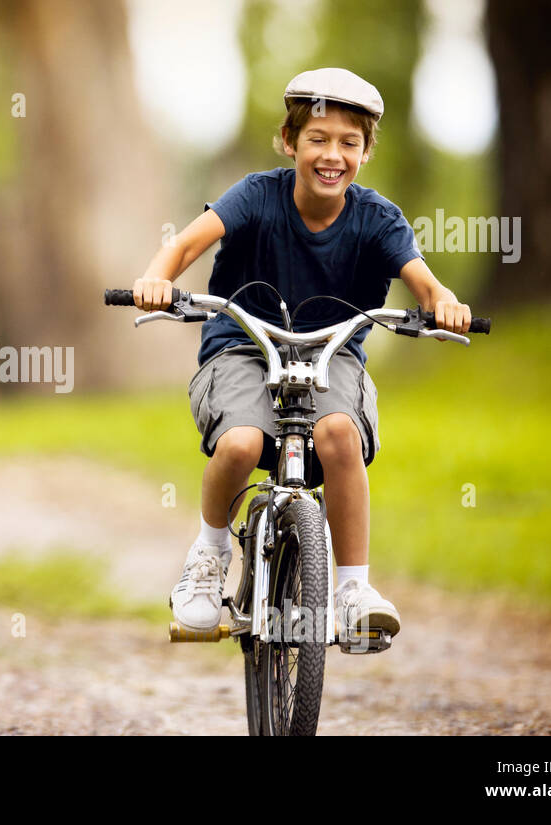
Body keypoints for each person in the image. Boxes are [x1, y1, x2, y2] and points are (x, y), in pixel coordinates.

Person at [134, 68, 473, 641]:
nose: (331, 155)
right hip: (243, 346)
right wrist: (156, 279)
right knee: (240, 442)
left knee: (339, 434)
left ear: (365, 152)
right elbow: (187, 243)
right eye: (317, 139)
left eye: (348, 142)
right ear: (290, 143)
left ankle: (352, 587)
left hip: (330, 356)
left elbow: (424, 282)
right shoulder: (256, 197)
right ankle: (208, 557)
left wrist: (442, 302)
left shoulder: (377, 219)